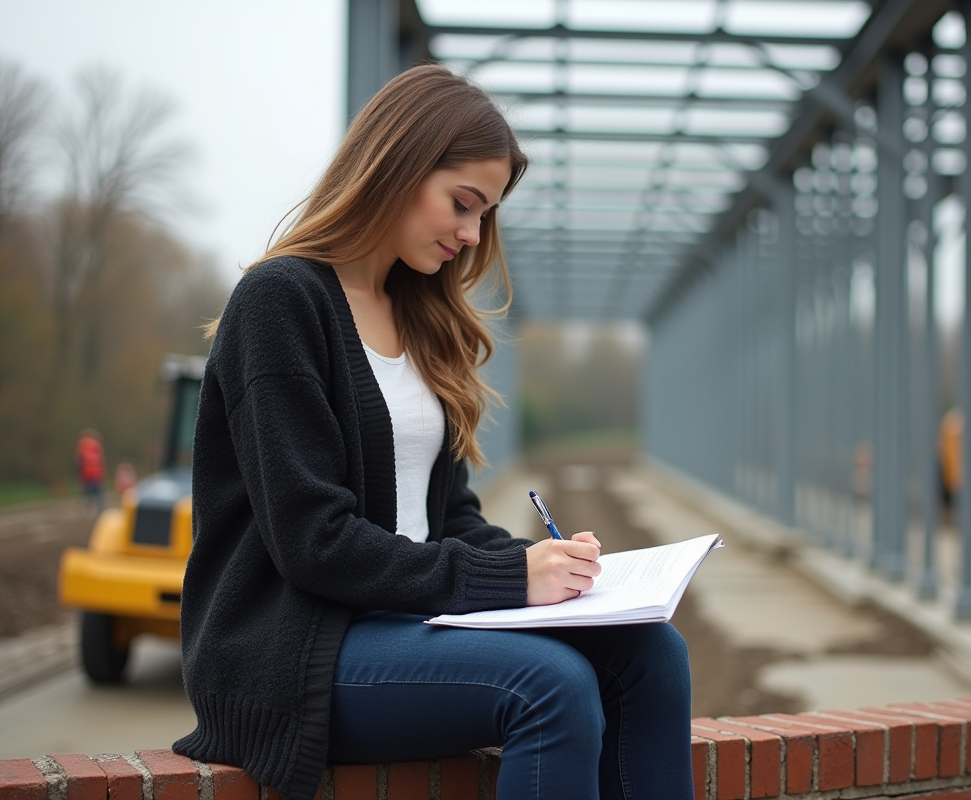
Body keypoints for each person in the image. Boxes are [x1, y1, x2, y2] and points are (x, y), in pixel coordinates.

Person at [171, 64, 693, 800]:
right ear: (399, 164)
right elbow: (314, 542)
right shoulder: (280, 302)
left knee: (653, 653)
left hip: (409, 622)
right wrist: (512, 580)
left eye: (485, 215)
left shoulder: (419, 314)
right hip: (299, 652)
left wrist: (552, 569)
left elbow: (447, 518)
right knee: (552, 685)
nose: (473, 235)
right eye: (463, 204)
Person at [75, 429, 105, 516]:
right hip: (96, 474)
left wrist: (79, 474)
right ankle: (100, 510)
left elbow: (78, 461)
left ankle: (85, 511)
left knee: (86, 494)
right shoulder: (97, 445)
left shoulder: (82, 445)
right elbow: (101, 461)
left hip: (85, 474)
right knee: (97, 494)